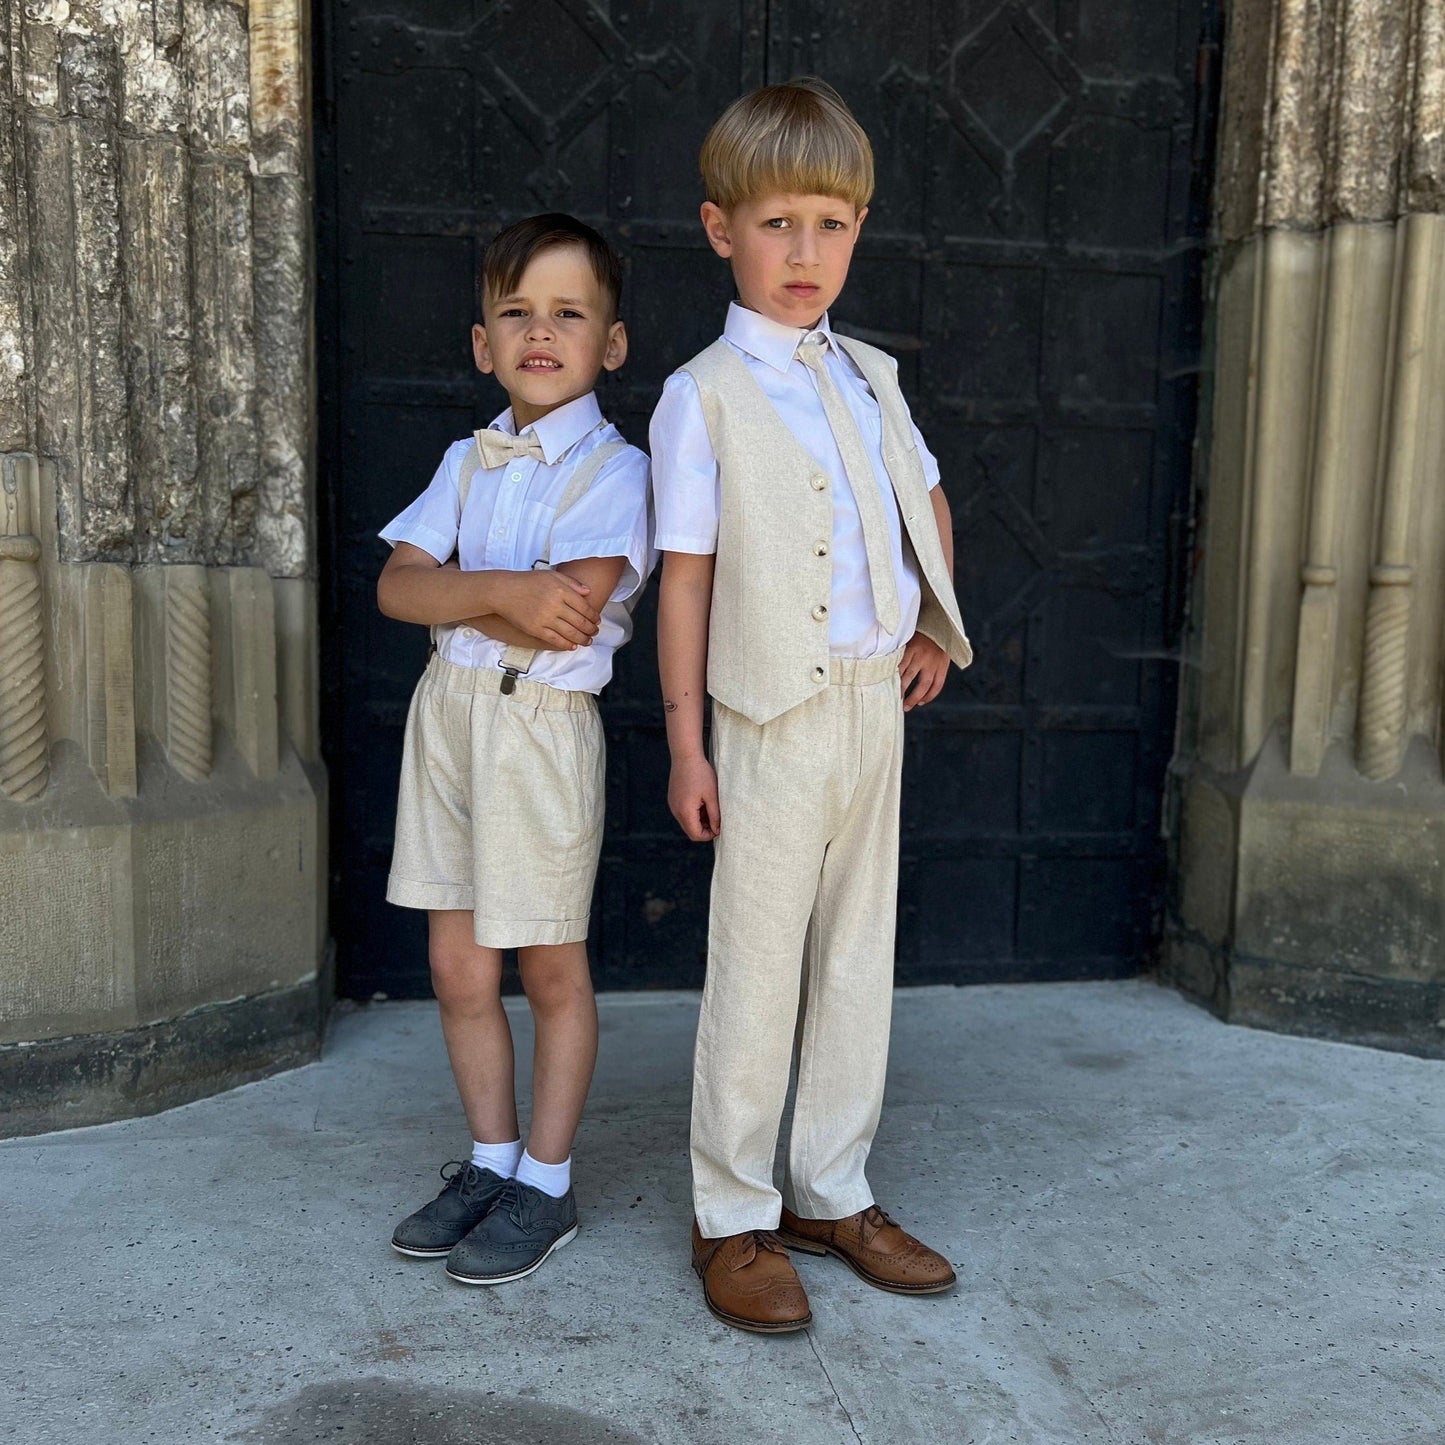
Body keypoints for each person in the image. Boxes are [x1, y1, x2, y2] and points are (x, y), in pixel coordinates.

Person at [650, 79, 973, 1333]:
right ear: (720, 226)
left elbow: (921, 500)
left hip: (866, 709)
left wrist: (930, 623)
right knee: (756, 967)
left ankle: (829, 1187)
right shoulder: (704, 394)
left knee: (854, 957)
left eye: (830, 225)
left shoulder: (871, 375)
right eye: (778, 223)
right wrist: (687, 740)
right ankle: (730, 1213)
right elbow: (686, 576)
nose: (805, 254)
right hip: (769, 715)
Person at [376, 213, 652, 1287]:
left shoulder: (617, 470)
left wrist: (466, 591)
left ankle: (545, 1177)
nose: (542, 332)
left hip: (536, 729)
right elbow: (398, 587)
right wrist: (499, 588)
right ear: (482, 341)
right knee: (456, 962)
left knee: (545, 962)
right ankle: (488, 1160)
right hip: (444, 713)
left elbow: (569, 618)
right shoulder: (464, 456)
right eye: (517, 312)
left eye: (568, 313)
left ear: (609, 344)